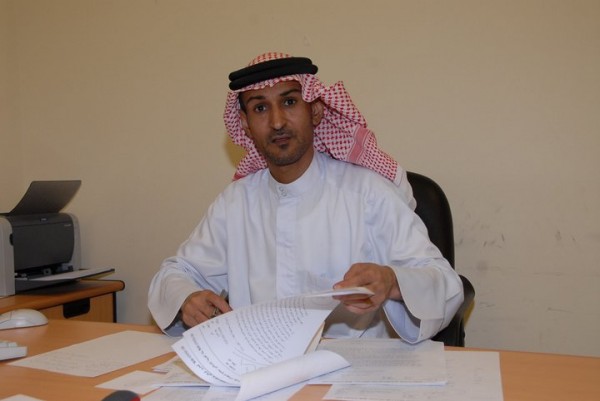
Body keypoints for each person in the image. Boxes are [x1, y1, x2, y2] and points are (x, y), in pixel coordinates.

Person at [148, 52, 463, 343]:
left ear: (315, 110)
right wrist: (186, 299)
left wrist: (392, 282)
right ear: (245, 124)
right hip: (258, 367)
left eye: (289, 102)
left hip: (352, 370)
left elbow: (445, 283)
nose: (277, 122)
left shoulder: (367, 193)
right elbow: (175, 274)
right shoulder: (235, 203)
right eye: (260, 108)